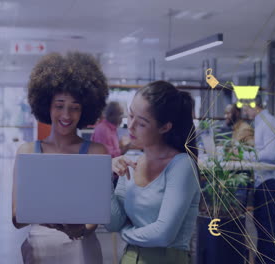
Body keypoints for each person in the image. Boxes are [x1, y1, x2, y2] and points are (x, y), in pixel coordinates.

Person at [12, 52, 109, 264]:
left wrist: (82, 229)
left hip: (82, 249)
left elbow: (97, 215)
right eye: (59, 105)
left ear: (84, 111)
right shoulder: (27, 152)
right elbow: (17, 218)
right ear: (47, 105)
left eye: (75, 108)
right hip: (39, 250)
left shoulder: (96, 152)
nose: (66, 115)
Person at [106, 81, 200, 264]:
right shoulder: (132, 162)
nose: (130, 126)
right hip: (129, 258)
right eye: (130, 115)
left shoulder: (182, 166)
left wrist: (126, 233)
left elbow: (163, 234)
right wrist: (105, 179)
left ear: (165, 127)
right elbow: (113, 224)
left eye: (141, 123)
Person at [243, 95, 275, 264]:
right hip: (263, 179)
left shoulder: (268, 122)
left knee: (267, 226)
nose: (245, 111)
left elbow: (270, 155)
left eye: (246, 107)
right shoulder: (261, 121)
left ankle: (271, 261)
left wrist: (246, 155)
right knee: (261, 223)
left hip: (270, 179)